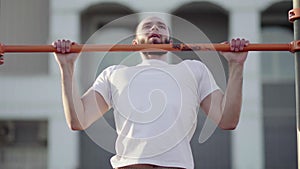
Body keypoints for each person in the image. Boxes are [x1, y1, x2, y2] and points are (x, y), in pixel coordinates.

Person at [53, 16, 249, 169]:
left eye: (161, 26)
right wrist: (67, 67)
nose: (154, 28)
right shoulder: (114, 73)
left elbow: (227, 120)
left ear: (170, 41)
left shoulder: (194, 70)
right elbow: (79, 120)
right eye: (147, 26)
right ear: (135, 43)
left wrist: (236, 65)